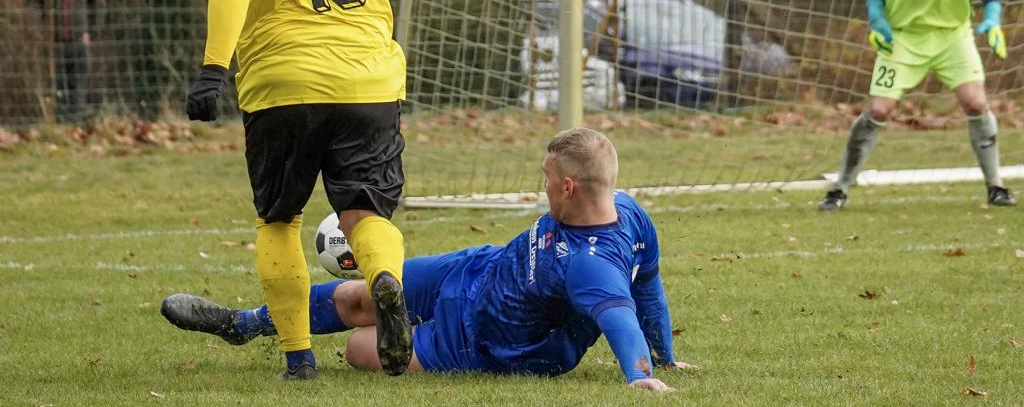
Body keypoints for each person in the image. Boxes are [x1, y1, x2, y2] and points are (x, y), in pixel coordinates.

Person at [183, 0, 460, 380]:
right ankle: (383, 279)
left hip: (281, 81)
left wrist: (213, 68)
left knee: (279, 220)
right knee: (366, 215)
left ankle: (299, 360)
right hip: (368, 78)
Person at [161, 128, 692, 391]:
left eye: (548, 179)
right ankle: (243, 324)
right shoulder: (628, 210)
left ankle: (408, 335)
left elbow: (622, 314)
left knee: (360, 347)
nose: (544, 186)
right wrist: (667, 353)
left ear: (570, 187)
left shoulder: (591, 266)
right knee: (360, 294)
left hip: (483, 342)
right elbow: (649, 283)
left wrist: (642, 374)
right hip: (476, 270)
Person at [819, 0, 1015, 211]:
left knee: (976, 103)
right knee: (878, 109)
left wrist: (993, 20)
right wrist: (877, 20)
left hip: (952, 36)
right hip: (903, 39)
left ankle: (996, 187)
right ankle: (839, 189)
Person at [33, 0, 106, 122]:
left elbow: (99, 5)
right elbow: (30, 4)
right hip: (53, 41)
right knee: (57, 84)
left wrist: (91, 32)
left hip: (79, 39)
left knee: (79, 83)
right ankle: (59, 124)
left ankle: (78, 122)